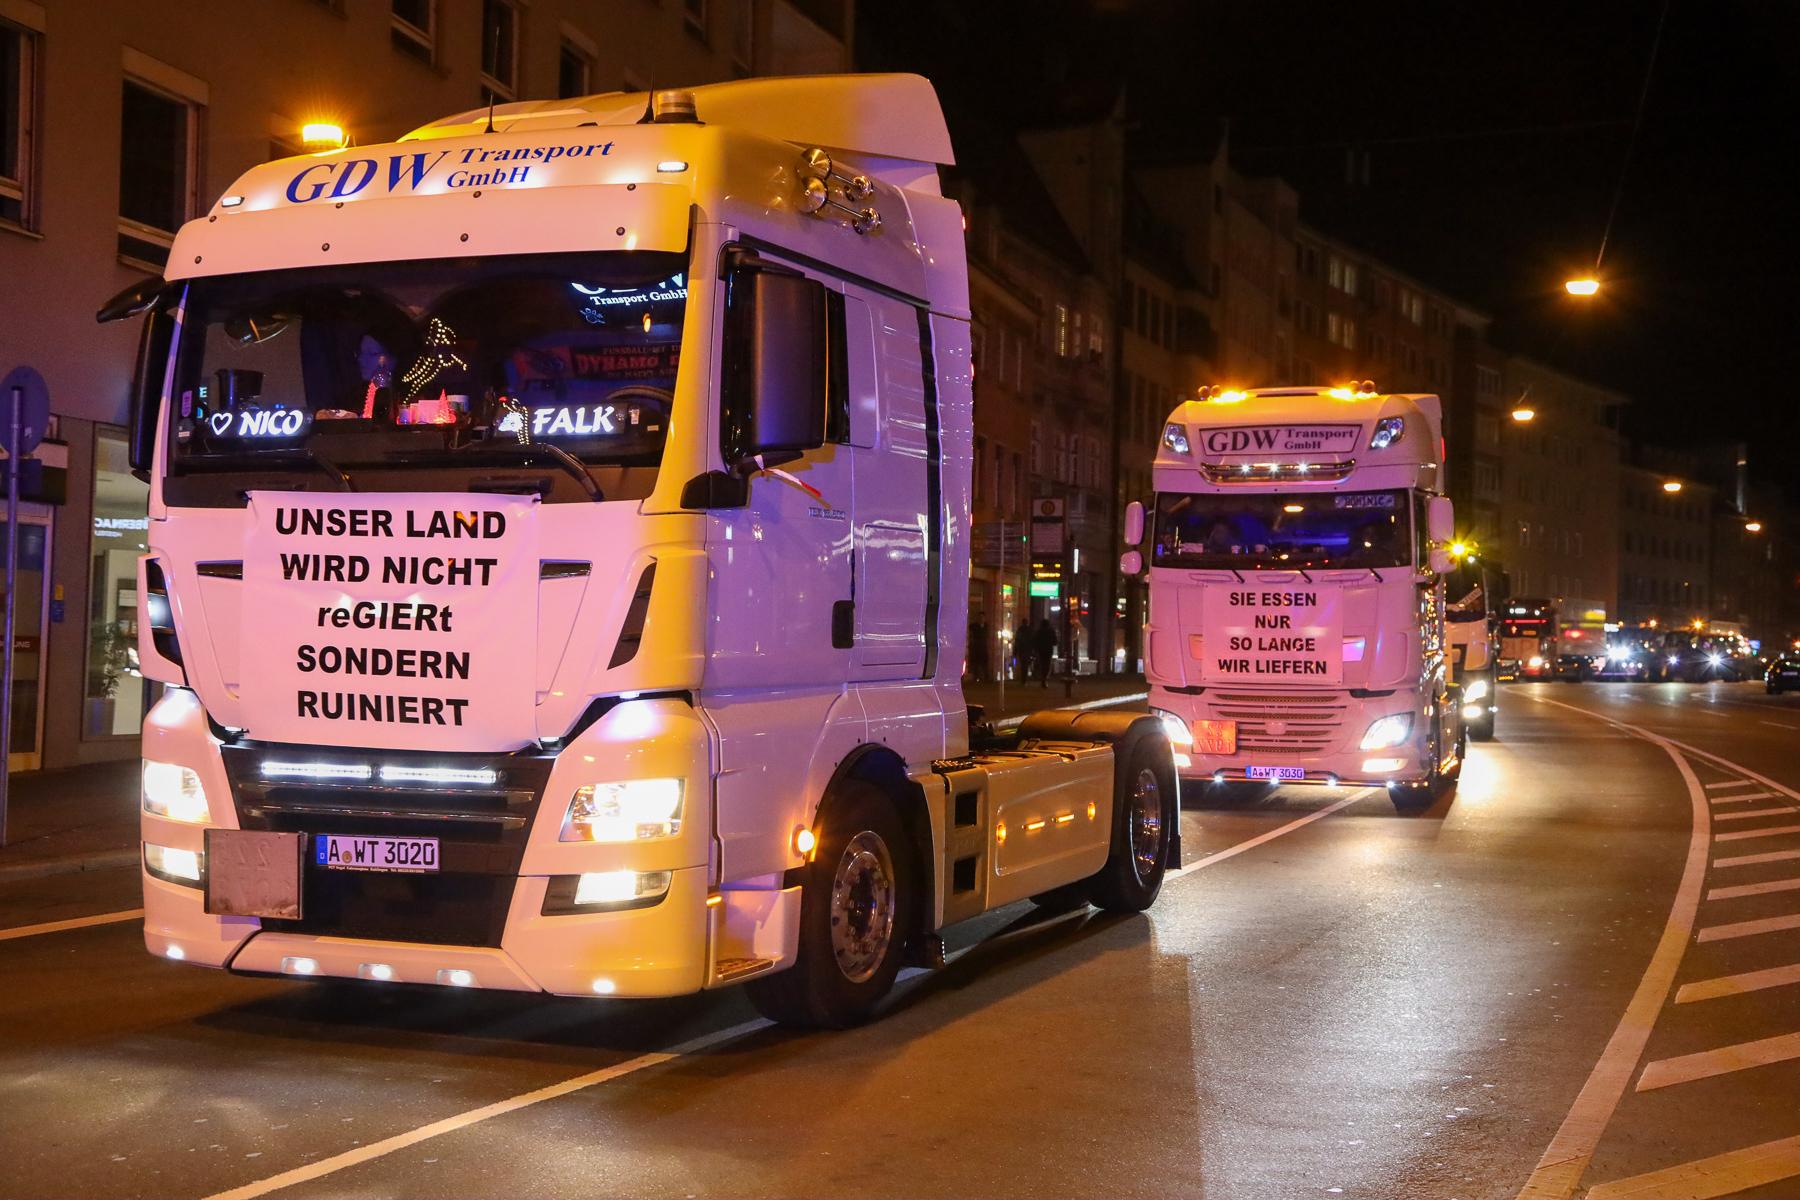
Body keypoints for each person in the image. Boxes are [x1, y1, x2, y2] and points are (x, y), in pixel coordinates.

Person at [1034, 618, 1058, 686]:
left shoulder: (1039, 631)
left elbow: (1035, 641)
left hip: (1041, 650)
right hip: (1048, 650)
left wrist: (1036, 649)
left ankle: (1043, 678)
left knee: (1042, 664)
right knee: (1047, 665)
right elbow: (1055, 642)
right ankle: (1044, 679)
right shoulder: (1051, 631)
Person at [967, 619, 990, 683]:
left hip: (983, 647)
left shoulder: (986, 626)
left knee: (984, 663)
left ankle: (986, 677)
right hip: (977, 648)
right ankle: (976, 677)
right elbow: (970, 627)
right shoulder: (975, 626)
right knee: (976, 663)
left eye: (982, 618)